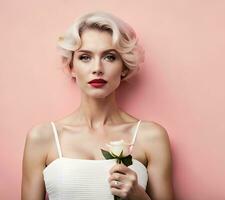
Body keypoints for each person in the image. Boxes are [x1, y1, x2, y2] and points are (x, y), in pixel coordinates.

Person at [21, 11, 174, 200]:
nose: (97, 69)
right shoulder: (42, 137)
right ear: (71, 67)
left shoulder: (151, 136)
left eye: (109, 57)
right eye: (85, 57)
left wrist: (139, 196)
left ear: (124, 67)